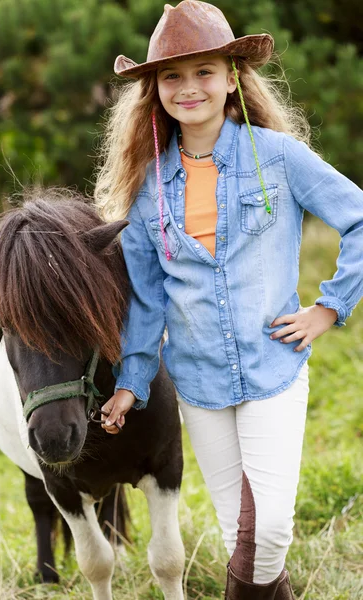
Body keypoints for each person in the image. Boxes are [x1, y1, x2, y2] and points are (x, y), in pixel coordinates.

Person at [94, 1, 363, 598]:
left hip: (274, 366)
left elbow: (359, 219)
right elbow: (146, 297)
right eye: (172, 76)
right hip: (198, 380)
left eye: (204, 71)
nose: (189, 88)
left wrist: (329, 307)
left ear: (232, 76)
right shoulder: (148, 191)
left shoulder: (278, 157)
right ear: (154, 89)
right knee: (237, 532)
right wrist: (132, 380)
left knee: (268, 530)